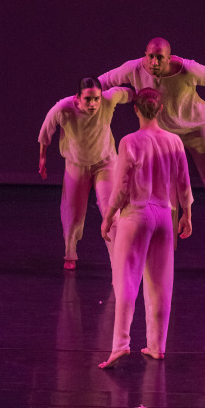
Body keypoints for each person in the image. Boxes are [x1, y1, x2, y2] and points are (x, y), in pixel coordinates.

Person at [99, 37, 205, 276]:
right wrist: (80, 101)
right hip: (164, 133)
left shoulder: (188, 69)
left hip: (196, 127)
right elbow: (103, 81)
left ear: (169, 57)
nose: (154, 62)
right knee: (160, 188)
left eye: (160, 58)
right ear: (144, 55)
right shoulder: (133, 68)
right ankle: (160, 253)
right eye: (150, 56)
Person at [99, 88, 193, 368]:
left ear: (136, 110)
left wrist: (109, 215)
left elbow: (122, 185)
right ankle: (157, 346)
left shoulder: (130, 141)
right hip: (165, 214)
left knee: (126, 280)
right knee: (161, 283)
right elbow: (184, 182)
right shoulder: (174, 141)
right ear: (161, 108)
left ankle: (120, 345)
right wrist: (186, 214)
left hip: (137, 214)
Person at [38, 77, 133, 269]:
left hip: (105, 162)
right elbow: (45, 132)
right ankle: (70, 253)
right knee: (73, 212)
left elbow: (128, 94)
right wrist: (42, 159)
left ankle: (117, 260)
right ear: (77, 98)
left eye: (96, 99)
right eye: (88, 99)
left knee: (111, 210)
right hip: (76, 164)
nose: (93, 104)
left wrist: (142, 94)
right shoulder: (63, 108)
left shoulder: (109, 99)